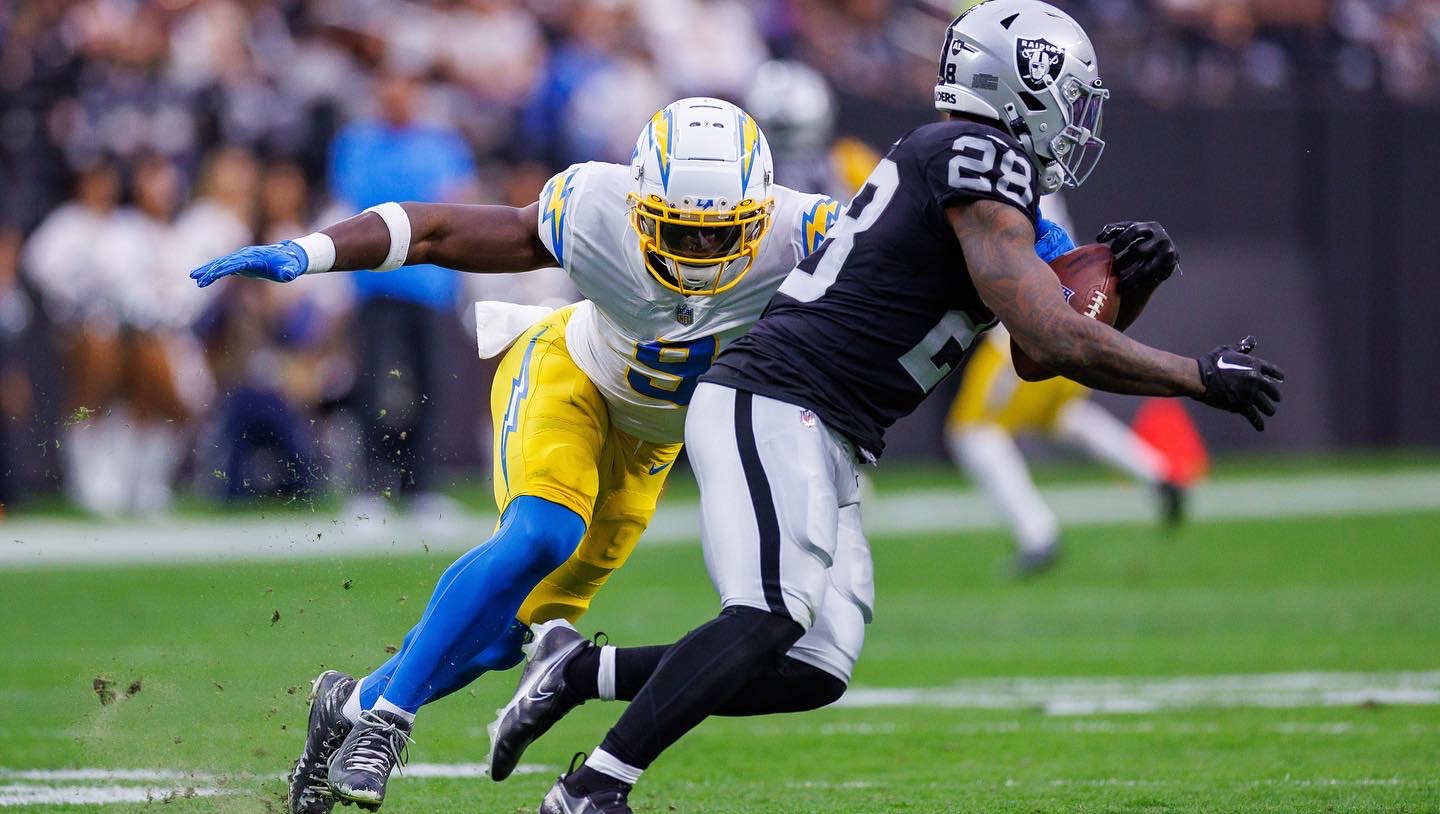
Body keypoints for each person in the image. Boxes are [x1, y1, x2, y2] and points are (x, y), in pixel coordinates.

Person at [506, 4, 1284, 812]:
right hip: (778, 397)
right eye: (1071, 94)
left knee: (812, 666)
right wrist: (1195, 375)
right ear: (1024, 85)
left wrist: (1135, 278)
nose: (1077, 118)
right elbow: (1051, 338)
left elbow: (1045, 346)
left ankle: (576, 673)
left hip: (826, 424)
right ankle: (592, 792)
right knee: (770, 612)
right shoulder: (975, 156)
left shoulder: (978, 166)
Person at [188, 98, 846, 813]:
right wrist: (312, 252)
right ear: (637, 204)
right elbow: (439, 231)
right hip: (574, 375)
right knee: (542, 532)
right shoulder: (594, 207)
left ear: (759, 216)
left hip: (653, 442)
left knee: (504, 639)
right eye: (677, 230)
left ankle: (346, 706)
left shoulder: (807, 231)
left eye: (718, 236)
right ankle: (386, 723)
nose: (697, 254)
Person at [946, 224, 1189, 577]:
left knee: (972, 433)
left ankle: (1037, 535)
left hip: (1029, 331)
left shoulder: (998, 187)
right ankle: (1159, 475)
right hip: (1066, 314)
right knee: (1063, 418)